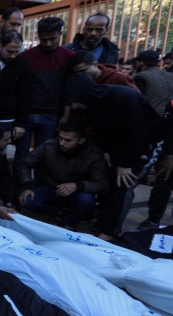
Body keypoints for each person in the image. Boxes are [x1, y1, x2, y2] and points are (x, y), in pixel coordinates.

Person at [62, 73, 173, 241]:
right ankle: (103, 222)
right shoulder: (92, 104)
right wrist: (106, 151)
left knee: (123, 184)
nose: (74, 105)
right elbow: (100, 130)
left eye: (75, 100)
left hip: (147, 143)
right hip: (119, 145)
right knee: (110, 182)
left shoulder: (124, 97)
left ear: (85, 93)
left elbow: (137, 133)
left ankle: (110, 231)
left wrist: (125, 164)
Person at [17, 121, 109, 231]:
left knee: (86, 201)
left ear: (81, 140)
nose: (61, 143)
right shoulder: (49, 146)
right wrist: (27, 185)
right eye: (60, 138)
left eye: (68, 140)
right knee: (27, 200)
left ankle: (71, 220)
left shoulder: (94, 155)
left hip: (77, 193)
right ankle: (60, 212)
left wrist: (77, 185)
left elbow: (102, 185)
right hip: (50, 187)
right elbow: (25, 164)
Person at [16, 17, 73, 165]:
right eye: (43, 39)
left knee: (45, 156)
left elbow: (69, 90)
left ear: (60, 34)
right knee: (21, 155)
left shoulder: (69, 57)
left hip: (52, 115)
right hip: (26, 114)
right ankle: (19, 187)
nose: (48, 43)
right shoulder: (25, 57)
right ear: (38, 36)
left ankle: (40, 186)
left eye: (52, 39)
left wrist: (65, 115)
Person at [132, 49, 173, 230]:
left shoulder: (146, 77)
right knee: (164, 180)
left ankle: (157, 222)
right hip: (165, 138)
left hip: (157, 134)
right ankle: (154, 220)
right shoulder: (169, 76)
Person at [67, 50, 138, 91]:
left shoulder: (120, 78)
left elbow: (137, 100)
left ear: (95, 64)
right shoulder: (78, 81)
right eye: (77, 73)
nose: (81, 75)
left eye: (83, 71)